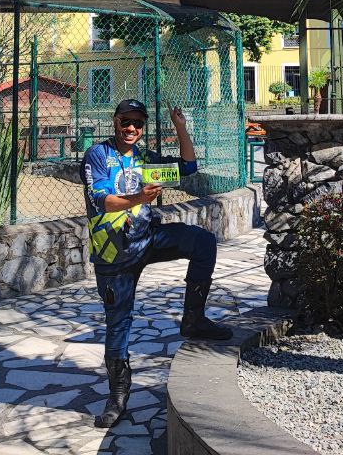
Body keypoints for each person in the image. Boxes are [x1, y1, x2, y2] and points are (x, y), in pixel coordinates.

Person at [81, 98, 232, 428]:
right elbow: (101, 200)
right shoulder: (98, 155)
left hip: (147, 238)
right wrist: (140, 198)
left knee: (203, 242)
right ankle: (118, 394)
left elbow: (188, 167)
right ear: (115, 121)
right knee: (118, 322)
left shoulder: (144, 159)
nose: (131, 128)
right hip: (114, 253)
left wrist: (180, 127)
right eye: (125, 121)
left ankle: (193, 320)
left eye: (138, 123)